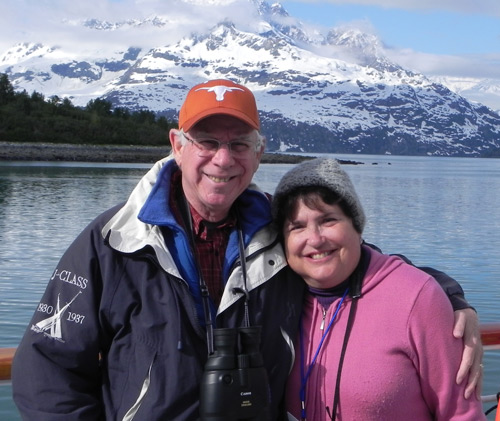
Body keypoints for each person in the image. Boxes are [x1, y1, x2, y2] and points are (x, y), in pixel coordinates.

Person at [12, 79, 481, 420]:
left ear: (259, 154)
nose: (223, 158)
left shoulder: (281, 231)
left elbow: (353, 259)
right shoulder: (114, 240)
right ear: (177, 145)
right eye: (207, 142)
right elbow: (46, 369)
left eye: (239, 144)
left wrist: (445, 294)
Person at [271, 158, 486, 420]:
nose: (315, 239)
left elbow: (461, 414)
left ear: (357, 227)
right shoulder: (278, 297)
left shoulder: (417, 298)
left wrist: (452, 296)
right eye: (297, 227)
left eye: (328, 220)